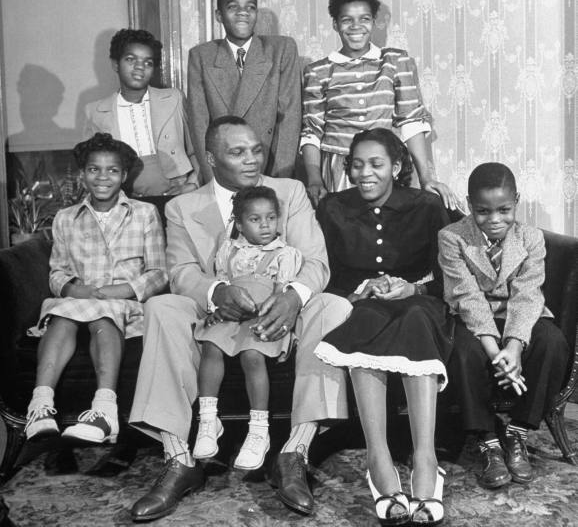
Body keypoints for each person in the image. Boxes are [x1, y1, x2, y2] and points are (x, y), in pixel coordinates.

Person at [128, 116, 351, 522]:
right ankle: (179, 460)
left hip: (278, 305)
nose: (251, 160)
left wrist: (292, 296)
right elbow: (181, 272)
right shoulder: (182, 207)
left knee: (333, 305)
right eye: (237, 152)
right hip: (214, 311)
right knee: (161, 307)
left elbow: (315, 263)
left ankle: (293, 454)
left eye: (256, 150)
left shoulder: (290, 192)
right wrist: (217, 292)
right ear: (211, 158)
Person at [314, 128, 453, 526]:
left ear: (395, 167)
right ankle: (379, 455)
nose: (365, 173)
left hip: (420, 302)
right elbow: (325, 271)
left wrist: (413, 286)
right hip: (361, 303)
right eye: (357, 164)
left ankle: (425, 458)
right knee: (364, 318)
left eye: (376, 164)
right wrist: (361, 290)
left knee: (414, 317)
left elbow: (450, 274)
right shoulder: (332, 208)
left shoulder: (426, 206)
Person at [25, 133, 167, 445]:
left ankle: (104, 410)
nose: (103, 177)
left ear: (124, 176)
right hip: (79, 301)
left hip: (123, 306)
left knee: (104, 316)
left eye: (112, 170)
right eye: (94, 170)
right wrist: (72, 289)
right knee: (60, 315)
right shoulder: (66, 218)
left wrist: (123, 290)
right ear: (82, 174)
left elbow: (159, 273)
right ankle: (41, 406)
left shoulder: (143, 214)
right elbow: (57, 272)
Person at [438, 162, 569, 489]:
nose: (494, 219)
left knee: (553, 341)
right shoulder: (452, 237)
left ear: (517, 202)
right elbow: (467, 297)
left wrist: (514, 345)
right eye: (483, 211)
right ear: (470, 205)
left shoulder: (532, 238)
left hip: (518, 317)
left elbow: (528, 295)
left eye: (504, 210)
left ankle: (517, 432)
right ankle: (487, 441)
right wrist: (496, 352)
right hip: (474, 319)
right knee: (464, 352)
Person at [300, 0, 457, 212]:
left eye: (364, 19)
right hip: (339, 171)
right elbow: (312, 132)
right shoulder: (318, 71)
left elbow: (411, 122)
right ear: (335, 24)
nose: (356, 26)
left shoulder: (396, 61)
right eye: (347, 20)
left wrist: (426, 178)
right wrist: (314, 180)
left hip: (385, 168)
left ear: (374, 22)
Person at [193, 185, 302, 471]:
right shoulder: (229, 250)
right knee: (211, 346)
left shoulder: (284, 254)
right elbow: (222, 284)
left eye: (271, 218)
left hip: (261, 316)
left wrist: (265, 311)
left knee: (251, 355)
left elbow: (281, 295)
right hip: (231, 314)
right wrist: (217, 310)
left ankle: (258, 430)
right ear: (239, 224)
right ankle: (208, 420)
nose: (265, 225)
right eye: (255, 219)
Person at [188, 0, 301, 183]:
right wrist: (214, 179)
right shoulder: (201, 56)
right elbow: (199, 124)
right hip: (224, 169)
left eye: (250, 7)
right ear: (219, 15)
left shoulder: (282, 49)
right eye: (233, 7)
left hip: (269, 166)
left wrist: (279, 178)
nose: (243, 13)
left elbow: (289, 119)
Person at [84, 28, 199, 196]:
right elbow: (91, 167)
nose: (139, 67)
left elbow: (197, 151)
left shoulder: (174, 99)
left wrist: (193, 185)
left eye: (148, 62)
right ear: (115, 63)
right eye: (131, 59)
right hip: (127, 202)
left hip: (178, 196)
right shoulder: (96, 112)